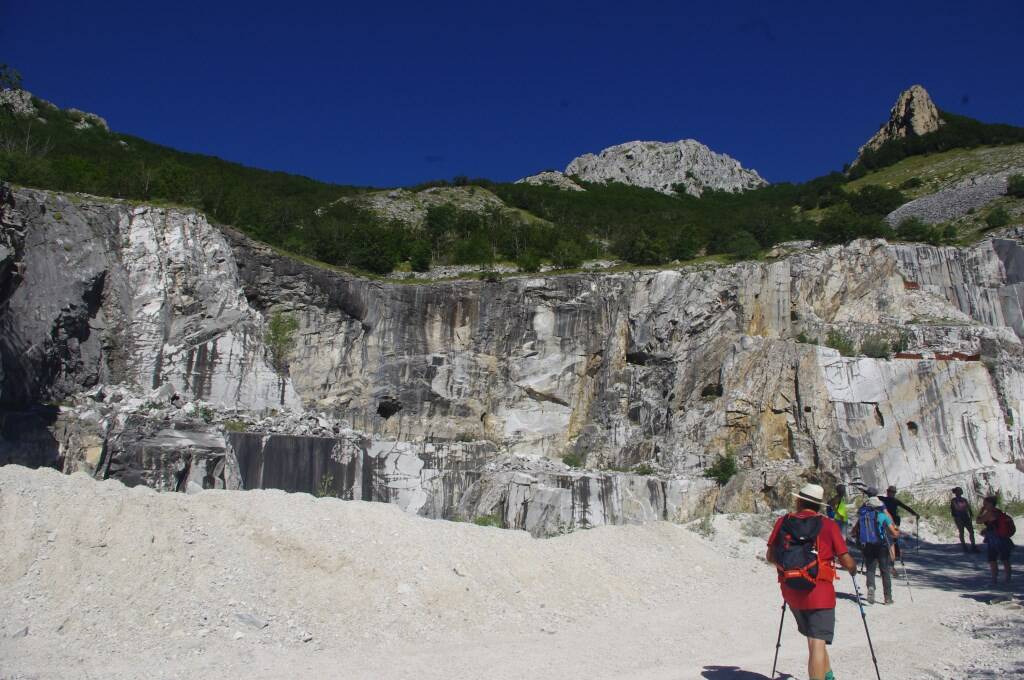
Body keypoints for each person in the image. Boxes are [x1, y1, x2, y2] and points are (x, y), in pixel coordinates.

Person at [767, 483, 857, 680]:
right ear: (819, 506)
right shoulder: (828, 525)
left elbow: (771, 556)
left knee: (814, 636)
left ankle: (828, 675)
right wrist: (853, 568)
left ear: (799, 501)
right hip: (820, 591)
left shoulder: (783, 522)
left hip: (791, 590)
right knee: (817, 642)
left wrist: (792, 568)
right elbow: (845, 558)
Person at [851, 496, 900, 604]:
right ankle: (888, 598)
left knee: (870, 570)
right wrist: (897, 532)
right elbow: (893, 533)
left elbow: (853, 532)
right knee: (884, 571)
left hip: (868, 546)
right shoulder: (883, 516)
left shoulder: (863, 517)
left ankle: (871, 587)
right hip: (882, 546)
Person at [977, 495, 1015, 585]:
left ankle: (994, 579)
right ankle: (1008, 578)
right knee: (1005, 559)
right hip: (1003, 538)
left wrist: (981, 511)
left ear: (990, 504)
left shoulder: (990, 513)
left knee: (992, 559)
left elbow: (978, 521)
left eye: (985, 504)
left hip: (994, 539)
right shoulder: (998, 512)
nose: (984, 505)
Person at [880, 485, 919, 559]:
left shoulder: (895, 501)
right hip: (886, 520)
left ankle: (896, 553)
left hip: (894, 521)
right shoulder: (883, 499)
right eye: (890, 492)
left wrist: (915, 513)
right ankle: (889, 552)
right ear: (887, 492)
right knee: (886, 536)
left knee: (894, 536)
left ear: (894, 493)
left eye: (892, 492)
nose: (891, 493)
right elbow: (872, 496)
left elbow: (905, 507)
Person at [949, 487, 978, 553]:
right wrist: (969, 514)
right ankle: (965, 546)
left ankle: (971, 546)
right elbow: (955, 508)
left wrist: (970, 514)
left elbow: (968, 508)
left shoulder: (963, 500)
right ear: (956, 492)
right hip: (960, 517)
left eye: (960, 491)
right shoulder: (954, 500)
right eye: (959, 491)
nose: (960, 492)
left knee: (970, 532)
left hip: (964, 517)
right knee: (963, 532)